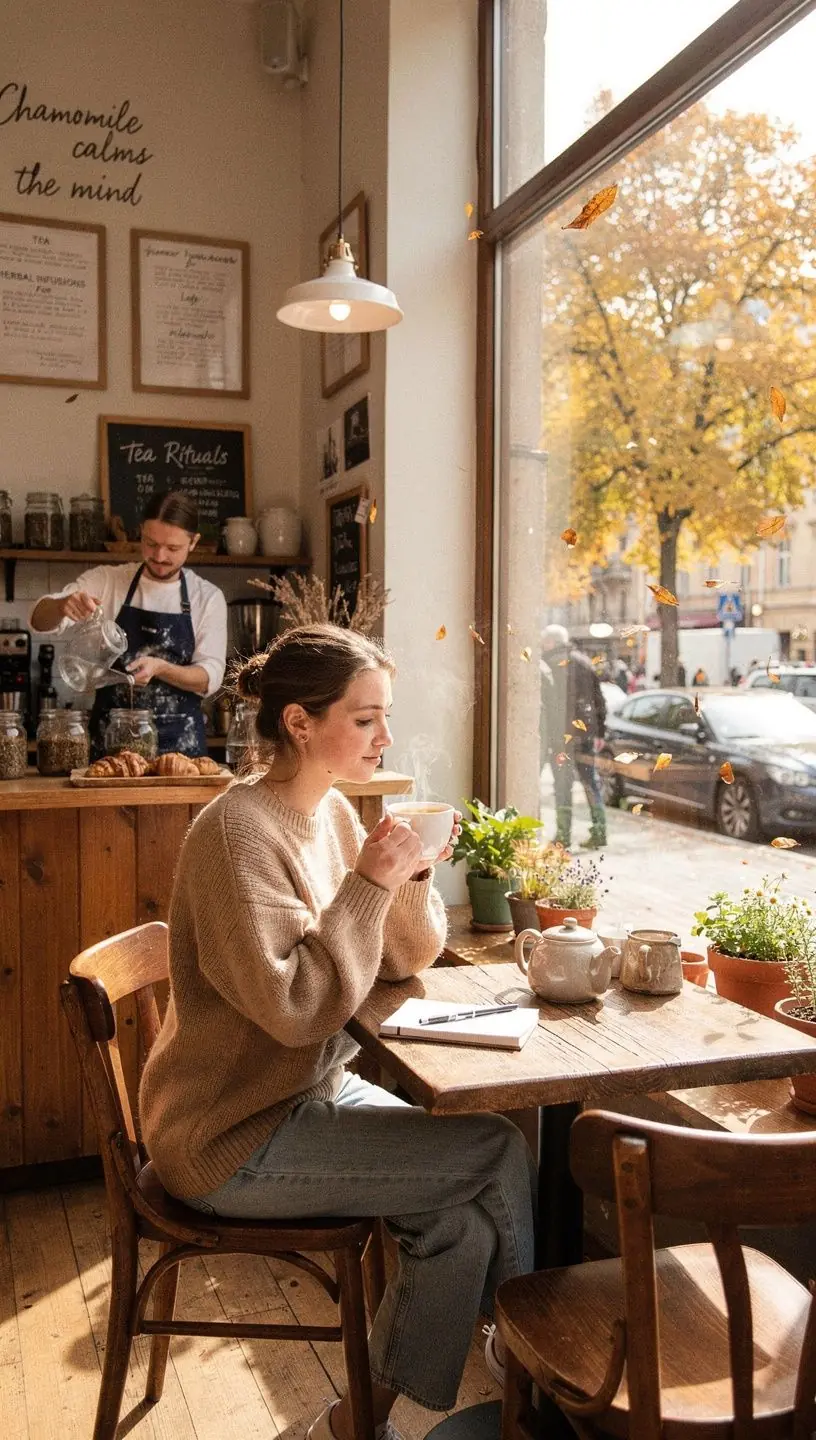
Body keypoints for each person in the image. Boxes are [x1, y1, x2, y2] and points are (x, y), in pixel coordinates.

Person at [138, 624, 536, 1438]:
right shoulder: (235, 834)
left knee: (456, 1228)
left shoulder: (331, 816)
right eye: (366, 718)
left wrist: (409, 875)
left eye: (385, 715)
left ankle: (354, 1423)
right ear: (299, 723)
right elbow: (295, 1012)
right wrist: (365, 886)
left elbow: (404, 960)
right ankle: (530, 1359)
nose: (386, 736)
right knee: (499, 1146)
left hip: (303, 1094)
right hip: (228, 1134)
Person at [31, 491, 227, 757]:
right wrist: (62, 604)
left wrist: (161, 668)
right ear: (141, 533)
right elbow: (40, 620)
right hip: (111, 747)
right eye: (150, 543)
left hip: (182, 750)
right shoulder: (109, 580)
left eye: (172, 548)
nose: (159, 556)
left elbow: (209, 677)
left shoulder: (207, 597)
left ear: (193, 542)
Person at [540, 623, 607, 849]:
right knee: (591, 783)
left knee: (563, 786)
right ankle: (600, 831)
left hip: (561, 738)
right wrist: (601, 732)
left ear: (551, 642)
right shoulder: (584, 662)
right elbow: (599, 700)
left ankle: (563, 836)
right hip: (585, 736)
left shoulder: (549, 664)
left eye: (544, 641)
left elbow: (548, 707)